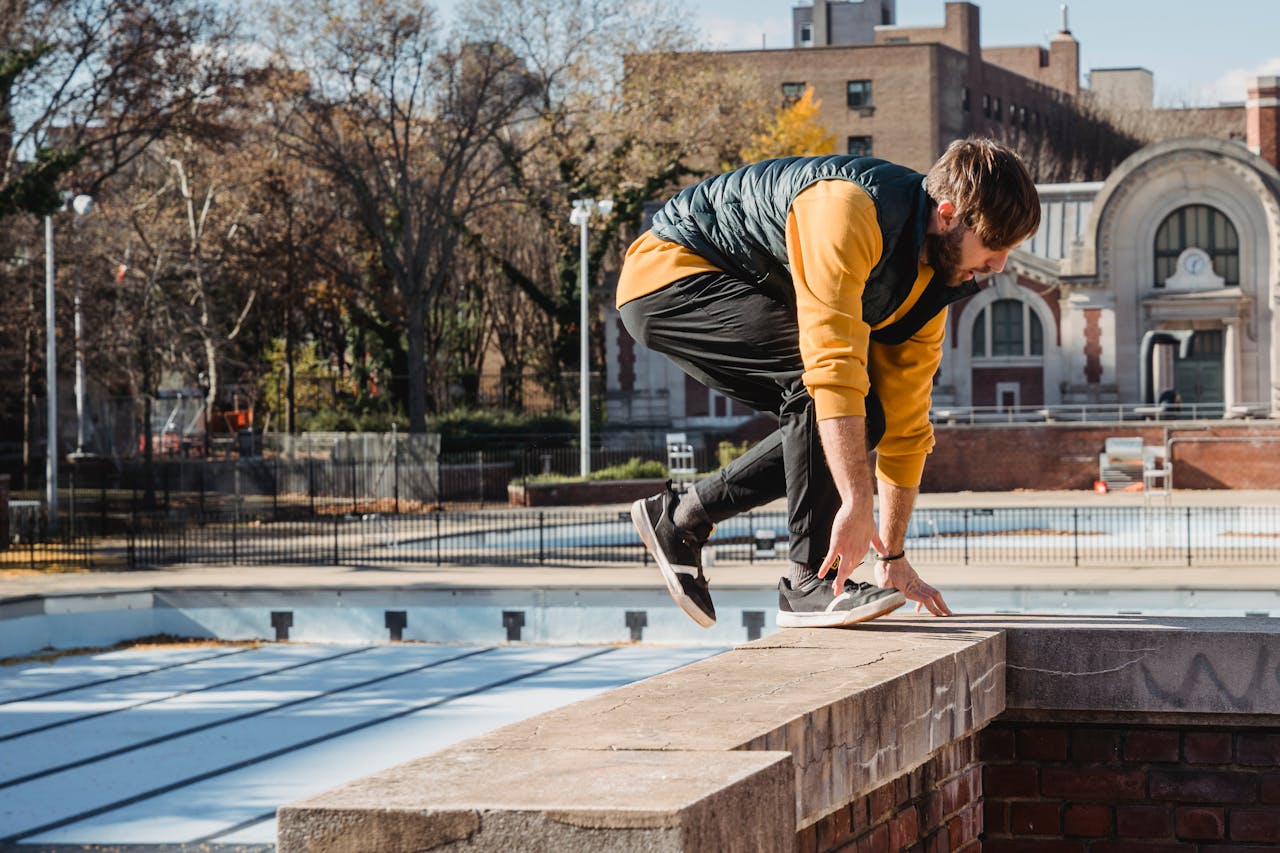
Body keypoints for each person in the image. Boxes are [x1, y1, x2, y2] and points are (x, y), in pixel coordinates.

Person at [618, 137, 1041, 629]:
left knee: (872, 415)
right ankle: (806, 582)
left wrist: (893, 555)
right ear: (947, 215)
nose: (1000, 266)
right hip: (673, 273)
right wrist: (856, 502)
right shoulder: (848, 210)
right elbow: (830, 367)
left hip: (739, 290)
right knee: (817, 382)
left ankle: (681, 517)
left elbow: (906, 424)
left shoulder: (930, 285)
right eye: (994, 247)